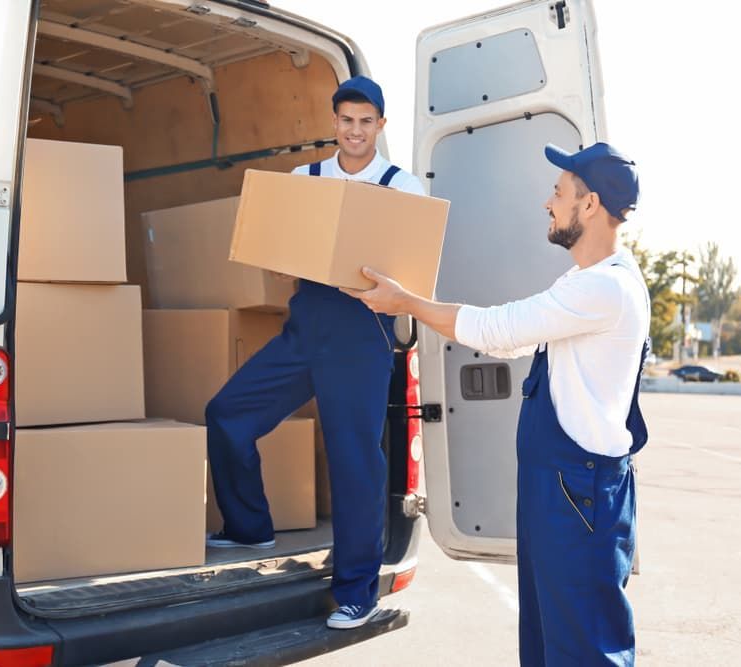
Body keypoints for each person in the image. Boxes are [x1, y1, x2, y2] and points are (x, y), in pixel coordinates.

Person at [344, 142, 650, 665]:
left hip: (580, 492)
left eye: (558, 193)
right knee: (548, 639)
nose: (547, 203)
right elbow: (511, 340)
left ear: (590, 204)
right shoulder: (584, 282)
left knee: (583, 648)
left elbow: (495, 328)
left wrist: (406, 303)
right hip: (565, 486)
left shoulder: (605, 288)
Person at [204, 75, 425, 630]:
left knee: (354, 463)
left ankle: (357, 592)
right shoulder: (306, 178)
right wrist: (287, 260)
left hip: (362, 336)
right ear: (334, 123)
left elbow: (414, 270)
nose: (355, 131)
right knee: (227, 415)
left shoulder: (405, 188)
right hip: (306, 329)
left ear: (380, 125)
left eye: (365, 122)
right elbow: (280, 260)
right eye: (346, 121)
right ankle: (249, 525)